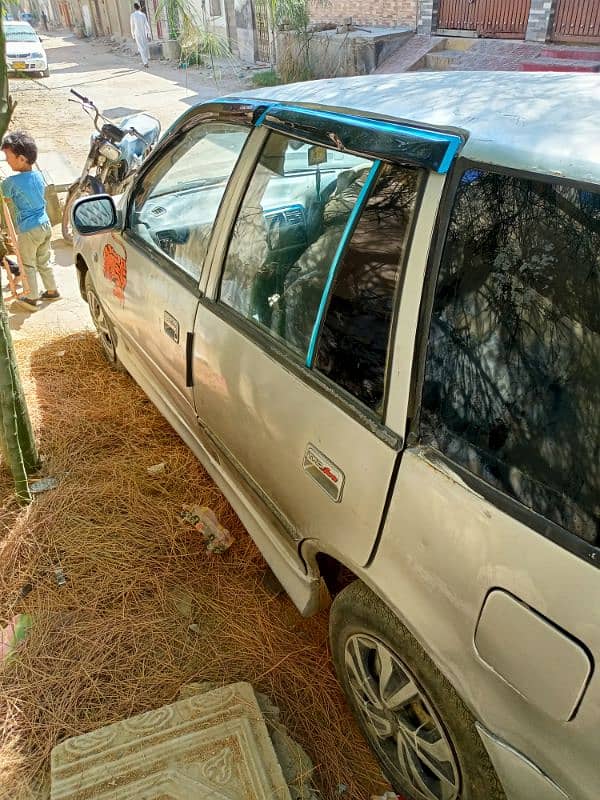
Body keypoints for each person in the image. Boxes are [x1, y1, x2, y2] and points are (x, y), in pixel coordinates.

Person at [1, 131, 59, 311]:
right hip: (44, 224)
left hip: (29, 229)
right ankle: (52, 290)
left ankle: (31, 297)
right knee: (43, 260)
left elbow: (4, 195)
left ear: (21, 158)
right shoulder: (39, 176)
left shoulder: (11, 182)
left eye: (8, 157)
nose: (6, 160)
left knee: (27, 263)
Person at [130, 3, 151, 69]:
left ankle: (145, 62)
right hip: (144, 33)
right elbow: (147, 25)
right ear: (140, 7)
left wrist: (133, 35)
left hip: (137, 33)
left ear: (134, 8)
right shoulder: (143, 15)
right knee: (145, 46)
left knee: (141, 47)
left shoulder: (132, 15)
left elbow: (132, 26)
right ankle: (146, 59)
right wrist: (149, 34)